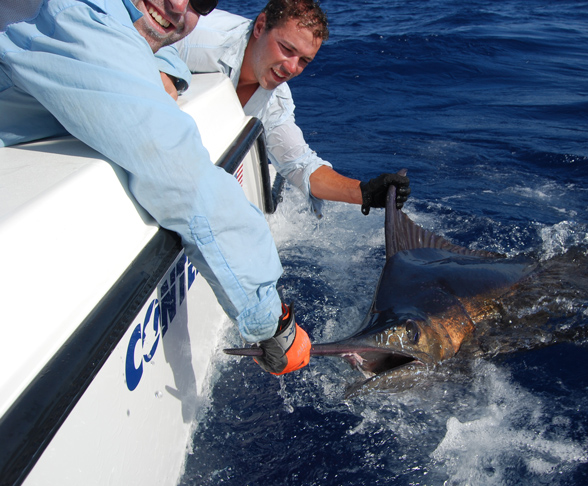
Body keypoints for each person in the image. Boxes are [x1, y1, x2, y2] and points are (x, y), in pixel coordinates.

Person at [0, 0, 308, 375]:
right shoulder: (75, 15)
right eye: (287, 50)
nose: (179, 4)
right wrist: (272, 323)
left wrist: (163, 66)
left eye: (202, 1)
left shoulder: (126, 17)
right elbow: (179, 173)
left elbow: (150, 44)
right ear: (259, 28)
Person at [172, 1, 412, 218]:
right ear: (260, 27)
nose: (291, 68)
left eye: (304, 60)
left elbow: (299, 165)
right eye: (286, 49)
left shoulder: (276, 98)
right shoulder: (197, 39)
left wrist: (365, 193)